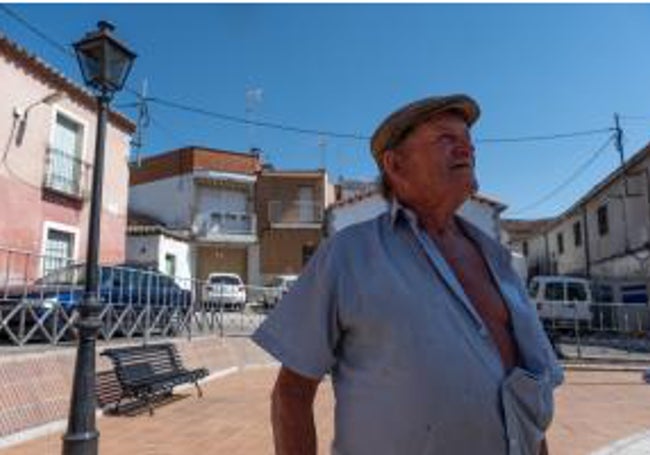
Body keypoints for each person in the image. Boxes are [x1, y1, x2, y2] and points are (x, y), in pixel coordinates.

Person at [252, 94, 564, 455]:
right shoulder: (348, 255)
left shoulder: (500, 262)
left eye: (469, 143)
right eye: (446, 139)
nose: (466, 151)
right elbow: (291, 395)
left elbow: (527, 404)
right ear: (396, 165)